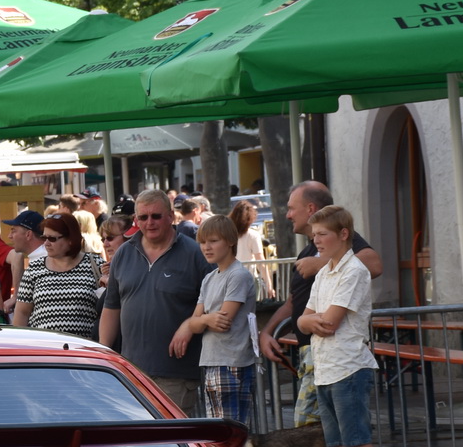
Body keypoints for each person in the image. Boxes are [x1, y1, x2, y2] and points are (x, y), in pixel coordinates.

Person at [257, 182, 384, 429]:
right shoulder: (310, 249)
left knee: (311, 431)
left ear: (311, 208)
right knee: (323, 436)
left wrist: (321, 264)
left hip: (335, 355)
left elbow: (374, 263)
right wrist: (268, 332)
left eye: (292, 208)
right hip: (315, 352)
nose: (288, 214)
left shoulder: (339, 241)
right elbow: (294, 301)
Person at [298, 205, 381, 447]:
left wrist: (315, 322)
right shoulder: (324, 273)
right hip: (326, 368)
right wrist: (313, 322)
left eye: (323, 235)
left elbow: (328, 322)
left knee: (357, 445)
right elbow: (304, 321)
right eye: (314, 235)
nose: (316, 241)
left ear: (343, 234)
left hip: (349, 367)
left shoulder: (353, 271)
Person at [99, 188, 213, 414]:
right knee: (137, 443)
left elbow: (216, 304)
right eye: (143, 217)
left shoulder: (195, 254)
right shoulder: (124, 253)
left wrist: (189, 325)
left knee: (171, 442)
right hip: (130, 372)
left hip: (176, 374)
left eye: (156, 216)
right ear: (136, 220)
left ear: (171, 216)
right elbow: (112, 307)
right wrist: (104, 354)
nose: (149, 222)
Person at [172, 215, 258, 427]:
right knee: (218, 432)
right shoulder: (209, 278)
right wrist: (207, 319)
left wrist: (203, 320)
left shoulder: (238, 275)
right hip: (212, 361)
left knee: (230, 433)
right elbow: (194, 322)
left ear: (229, 241)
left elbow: (223, 321)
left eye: (213, 241)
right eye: (203, 242)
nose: (206, 247)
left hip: (232, 362)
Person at [13, 214, 104, 340]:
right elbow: (22, 312)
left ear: (71, 239)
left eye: (52, 239)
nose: (46, 243)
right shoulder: (34, 268)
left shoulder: (95, 265)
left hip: (85, 350)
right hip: (45, 350)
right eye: (44, 237)